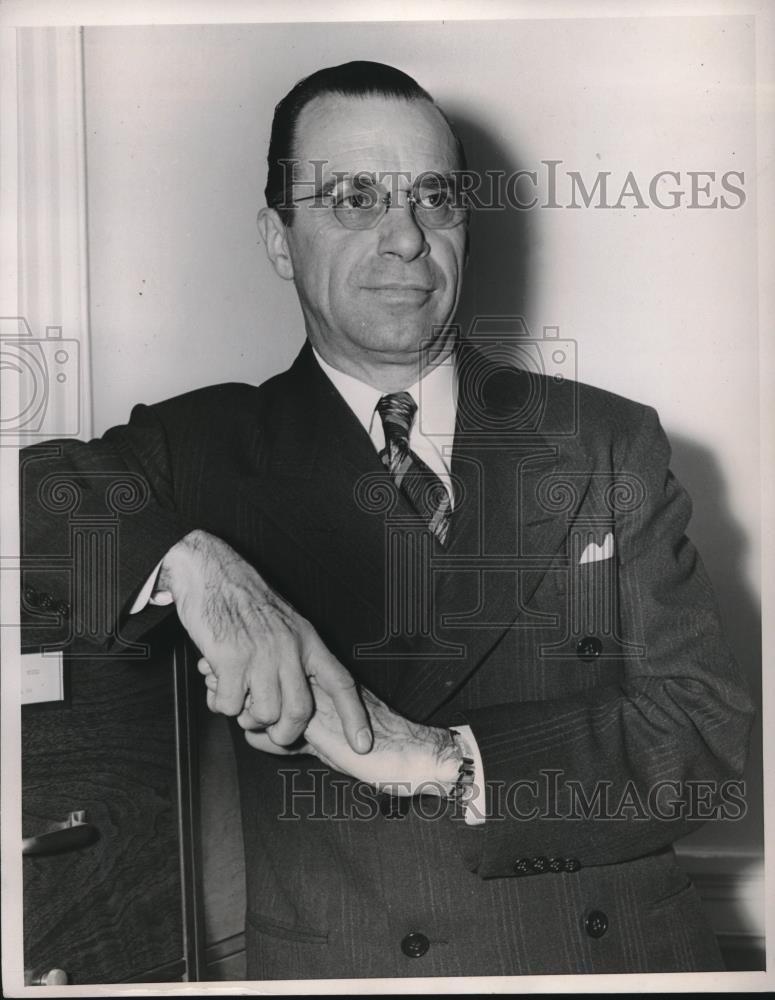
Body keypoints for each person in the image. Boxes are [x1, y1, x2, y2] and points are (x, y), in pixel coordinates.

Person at [21, 61, 755, 980]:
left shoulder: (602, 439)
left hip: (608, 958)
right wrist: (193, 560)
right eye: (354, 199)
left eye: (433, 198)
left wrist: (441, 758)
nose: (406, 237)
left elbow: (704, 737)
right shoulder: (203, 446)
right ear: (279, 239)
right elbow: (31, 498)